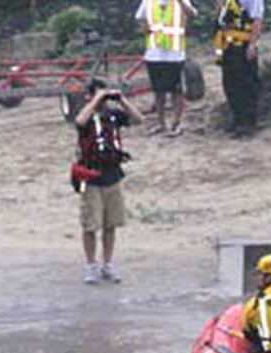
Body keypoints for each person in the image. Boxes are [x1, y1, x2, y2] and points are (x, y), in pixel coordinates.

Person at [74, 78, 143, 284]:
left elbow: (139, 119)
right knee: (90, 224)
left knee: (111, 223)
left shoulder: (113, 116)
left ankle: (107, 264)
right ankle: (91, 265)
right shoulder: (86, 116)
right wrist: (95, 100)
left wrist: (122, 100)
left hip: (112, 175)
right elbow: (79, 121)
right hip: (91, 176)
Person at [136, 0, 197, 137]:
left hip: (175, 53)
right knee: (159, 91)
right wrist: (144, 27)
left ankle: (176, 123)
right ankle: (161, 123)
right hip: (154, 52)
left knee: (177, 91)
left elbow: (192, 14)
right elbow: (140, 17)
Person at [215, 0, 264, 139]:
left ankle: (248, 123)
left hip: (243, 44)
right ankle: (237, 119)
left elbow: (257, 20)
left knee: (247, 84)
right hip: (228, 44)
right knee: (230, 83)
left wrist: (253, 45)